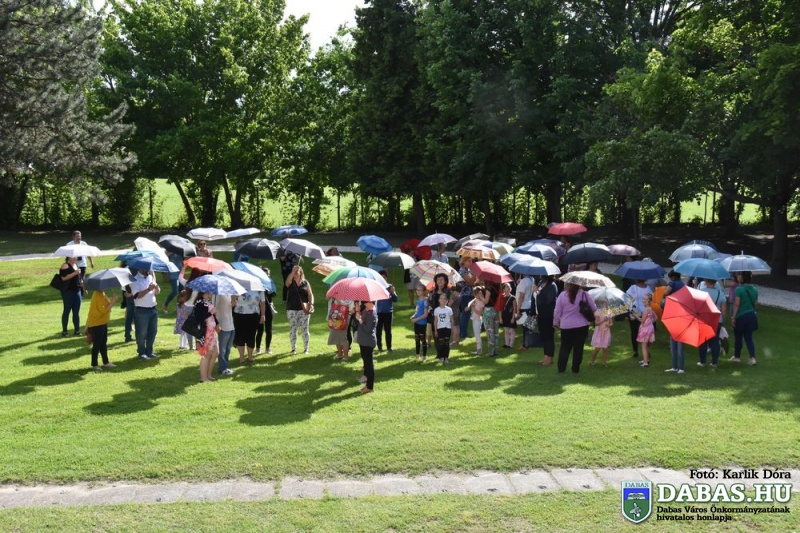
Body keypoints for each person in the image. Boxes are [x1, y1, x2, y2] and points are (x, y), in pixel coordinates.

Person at [553, 283, 596, 374]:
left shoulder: (563, 295)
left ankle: (561, 368)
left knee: (565, 347)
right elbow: (594, 308)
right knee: (578, 348)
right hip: (581, 325)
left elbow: (557, 311)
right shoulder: (585, 295)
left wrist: (555, 322)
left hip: (566, 325)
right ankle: (575, 369)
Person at [131, 266, 161, 360]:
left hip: (153, 308)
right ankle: (141, 353)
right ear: (141, 267)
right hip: (142, 310)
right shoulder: (135, 280)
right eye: (147, 267)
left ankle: (149, 351)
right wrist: (148, 289)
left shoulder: (150, 277)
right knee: (142, 333)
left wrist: (157, 288)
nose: (149, 269)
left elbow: (157, 292)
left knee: (153, 331)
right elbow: (137, 295)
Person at [86, 289, 120, 370]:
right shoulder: (97, 295)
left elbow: (107, 307)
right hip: (96, 323)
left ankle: (106, 362)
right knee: (97, 344)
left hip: (102, 322)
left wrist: (112, 301)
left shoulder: (102, 294)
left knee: (103, 343)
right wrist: (113, 301)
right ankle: (95, 364)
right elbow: (104, 310)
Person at [697, 278, 726, 368]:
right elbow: (723, 309)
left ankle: (702, 361)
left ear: (706, 282)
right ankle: (714, 362)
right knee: (715, 341)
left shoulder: (701, 292)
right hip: (717, 319)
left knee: (703, 341)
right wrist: (723, 319)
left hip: (704, 318)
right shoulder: (720, 293)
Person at [731, 271, 758, 365]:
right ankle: (752, 357)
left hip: (741, 316)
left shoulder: (739, 289)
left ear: (742, 277)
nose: (738, 277)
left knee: (738, 337)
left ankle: (737, 357)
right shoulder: (754, 289)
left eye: (739, 275)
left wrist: (733, 317)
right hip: (751, 315)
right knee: (749, 337)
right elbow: (755, 303)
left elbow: (736, 304)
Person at [285, 265, 314, 354]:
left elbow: (310, 294)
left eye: (298, 270)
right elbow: (287, 283)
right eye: (295, 271)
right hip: (291, 309)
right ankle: (293, 348)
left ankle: (306, 348)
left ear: (301, 272)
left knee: (305, 329)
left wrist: (311, 304)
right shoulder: (290, 281)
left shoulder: (305, 283)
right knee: (293, 329)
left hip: (303, 309)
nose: (296, 272)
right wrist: (292, 271)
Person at [233, 289, 265, 365]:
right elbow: (232, 300)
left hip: (253, 315)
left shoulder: (259, 287)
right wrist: (234, 297)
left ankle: (250, 356)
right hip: (239, 314)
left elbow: (262, 302)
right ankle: (241, 357)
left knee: (251, 335)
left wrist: (263, 315)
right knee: (240, 335)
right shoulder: (237, 286)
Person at [194, 292, 219, 382]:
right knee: (206, 354)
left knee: (215, 352)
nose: (213, 292)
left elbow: (212, 316)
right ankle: (203, 377)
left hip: (212, 331)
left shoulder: (208, 301)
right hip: (205, 332)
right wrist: (210, 312)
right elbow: (198, 318)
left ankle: (208, 375)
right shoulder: (199, 302)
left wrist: (217, 323)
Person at [626, 279, 653, 359]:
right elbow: (628, 298)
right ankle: (639, 350)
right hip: (638, 310)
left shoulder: (644, 288)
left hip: (642, 311)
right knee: (638, 331)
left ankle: (640, 350)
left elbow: (628, 299)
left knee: (640, 331)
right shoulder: (635, 287)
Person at [355, 300, 377, 393]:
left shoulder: (372, 314)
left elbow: (368, 329)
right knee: (366, 363)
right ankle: (367, 383)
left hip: (368, 342)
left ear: (369, 302)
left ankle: (370, 387)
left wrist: (360, 320)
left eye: (364, 302)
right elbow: (361, 319)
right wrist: (358, 311)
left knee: (369, 365)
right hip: (363, 341)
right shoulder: (366, 310)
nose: (362, 304)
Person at [536, 276, 558, 365]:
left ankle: (550, 358)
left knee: (549, 336)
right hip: (541, 314)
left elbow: (548, 300)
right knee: (543, 336)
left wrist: (538, 292)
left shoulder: (552, 286)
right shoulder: (540, 283)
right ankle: (546, 356)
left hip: (549, 315)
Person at [59, 256, 83, 336]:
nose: (75, 258)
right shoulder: (65, 265)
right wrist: (75, 273)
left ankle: (77, 330)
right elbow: (63, 278)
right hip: (68, 292)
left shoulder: (76, 265)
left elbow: (79, 279)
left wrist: (83, 288)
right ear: (68, 257)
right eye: (73, 256)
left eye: (76, 256)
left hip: (77, 291)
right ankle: (64, 331)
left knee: (76, 312)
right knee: (67, 311)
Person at [375, 270, 398, 353]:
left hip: (388, 312)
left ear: (386, 278)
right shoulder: (376, 287)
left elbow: (395, 299)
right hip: (379, 312)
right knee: (378, 330)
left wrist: (392, 293)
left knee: (388, 330)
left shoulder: (390, 287)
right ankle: (379, 347)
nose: (383, 279)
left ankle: (389, 347)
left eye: (384, 277)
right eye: (381, 277)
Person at [255, 268, 276, 355]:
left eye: (267, 274)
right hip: (259, 307)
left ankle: (268, 348)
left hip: (269, 307)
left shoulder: (270, 281)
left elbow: (274, 293)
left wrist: (270, 292)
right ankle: (258, 348)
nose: (266, 275)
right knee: (259, 329)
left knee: (268, 329)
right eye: (264, 273)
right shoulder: (257, 282)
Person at [633, 293, 656, 368]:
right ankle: (646, 359)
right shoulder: (650, 308)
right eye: (643, 299)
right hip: (649, 328)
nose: (644, 300)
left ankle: (645, 363)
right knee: (646, 345)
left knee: (644, 346)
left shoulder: (646, 309)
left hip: (645, 329)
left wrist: (636, 316)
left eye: (646, 299)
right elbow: (656, 317)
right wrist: (650, 323)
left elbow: (642, 320)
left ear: (649, 301)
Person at [215, 293, 235, 375]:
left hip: (231, 324)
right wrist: (217, 323)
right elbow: (214, 309)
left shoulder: (229, 293)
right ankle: (222, 368)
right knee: (222, 349)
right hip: (222, 324)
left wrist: (233, 302)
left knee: (228, 348)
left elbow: (228, 307)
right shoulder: (217, 294)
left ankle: (225, 367)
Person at [432, 292, 454, 363]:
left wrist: (452, 329)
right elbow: (435, 320)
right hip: (440, 328)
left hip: (447, 328)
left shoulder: (449, 309)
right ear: (439, 300)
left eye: (444, 299)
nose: (443, 300)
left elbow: (452, 320)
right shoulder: (436, 310)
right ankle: (441, 357)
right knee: (441, 343)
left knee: (446, 343)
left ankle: (446, 357)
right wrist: (435, 330)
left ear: (447, 300)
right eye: (441, 298)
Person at [480, 282, 501, 356]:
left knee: (490, 331)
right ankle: (496, 350)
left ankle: (491, 352)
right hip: (496, 310)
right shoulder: (498, 287)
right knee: (496, 332)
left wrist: (481, 296)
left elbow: (486, 301)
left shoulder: (489, 288)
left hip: (488, 311)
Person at [515, 274, 534, 349]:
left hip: (523, 306)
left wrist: (518, 309)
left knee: (525, 328)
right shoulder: (532, 279)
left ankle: (525, 345)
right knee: (529, 326)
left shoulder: (524, 281)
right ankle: (529, 343)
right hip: (530, 305)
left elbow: (521, 296)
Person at [410, 285, 429, 361]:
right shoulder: (418, 300)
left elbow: (425, 314)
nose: (418, 291)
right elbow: (417, 311)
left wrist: (416, 319)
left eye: (420, 290)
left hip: (422, 323)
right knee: (417, 338)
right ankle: (417, 354)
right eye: (417, 290)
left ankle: (424, 356)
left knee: (422, 339)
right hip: (417, 322)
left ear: (424, 291)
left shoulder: (425, 301)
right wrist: (413, 316)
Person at [467, 286, 485, 354]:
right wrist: (470, 306)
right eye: (475, 294)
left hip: (478, 320)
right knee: (476, 334)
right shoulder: (475, 300)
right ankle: (479, 349)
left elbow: (480, 313)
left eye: (478, 293)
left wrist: (473, 308)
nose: (476, 295)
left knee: (477, 335)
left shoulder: (481, 302)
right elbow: (470, 303)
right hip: (474, 319)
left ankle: (479, 350)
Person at [499, 282, 518, 348]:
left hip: (510, 316)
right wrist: (500, 318)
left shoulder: (513, 298)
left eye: (509, 287)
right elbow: (500, 308)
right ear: (503, 289)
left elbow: (514, 308)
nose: (508, 288)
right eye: (507, 287)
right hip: (504, 315)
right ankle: (507, 344)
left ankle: (511, 344)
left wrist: (513, 318)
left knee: (512, 330)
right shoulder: (502, 297)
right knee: (506, 330)